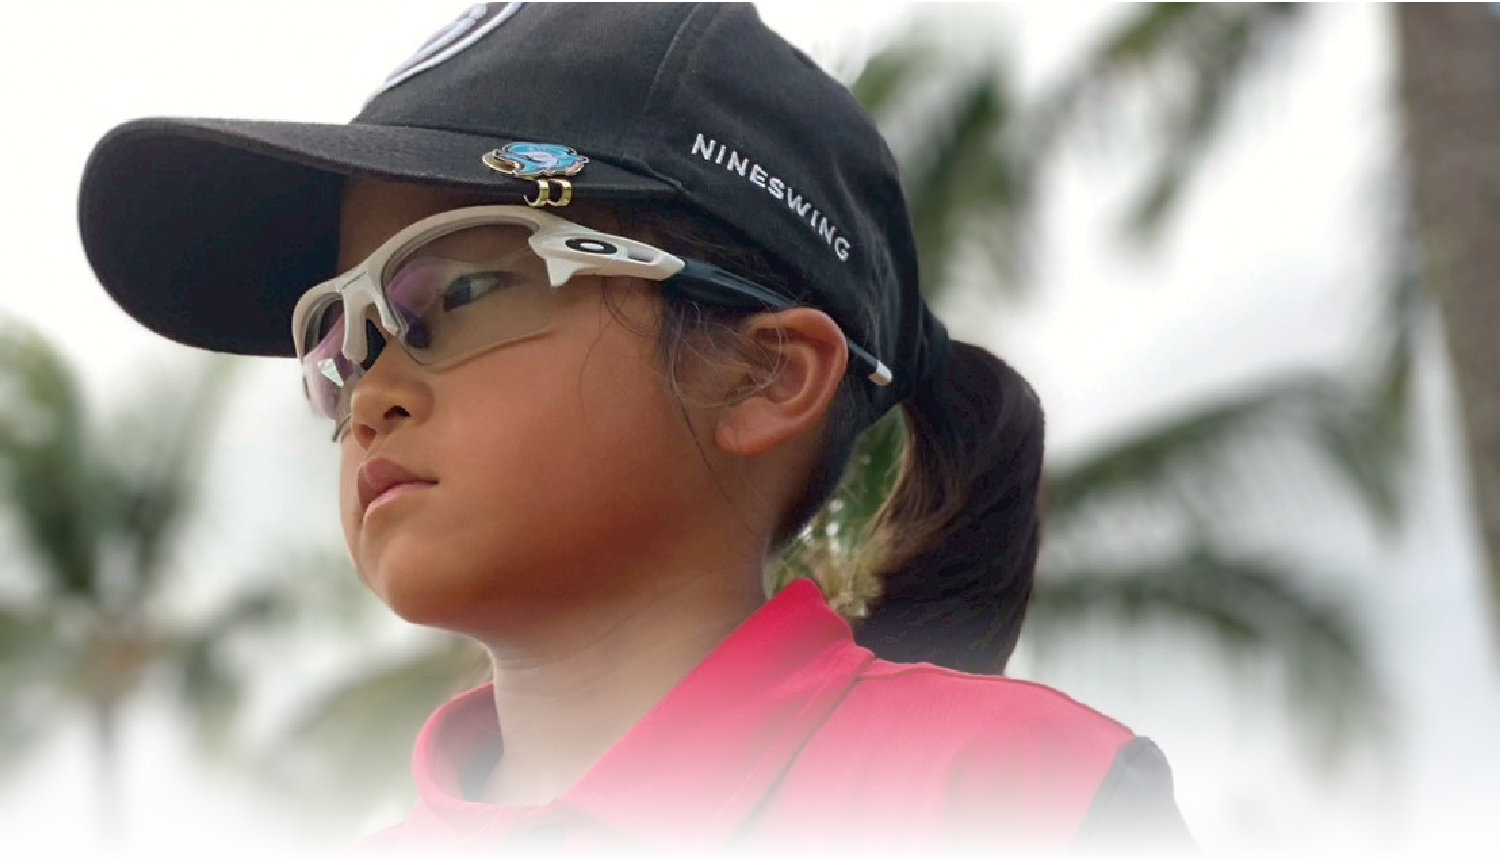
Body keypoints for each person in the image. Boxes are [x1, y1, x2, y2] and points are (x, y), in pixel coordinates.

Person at [77, 4, 1203, 859]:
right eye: (341, 331)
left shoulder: (1016, 799)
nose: (371, 391)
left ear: (764, 376)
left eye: (457, 291)